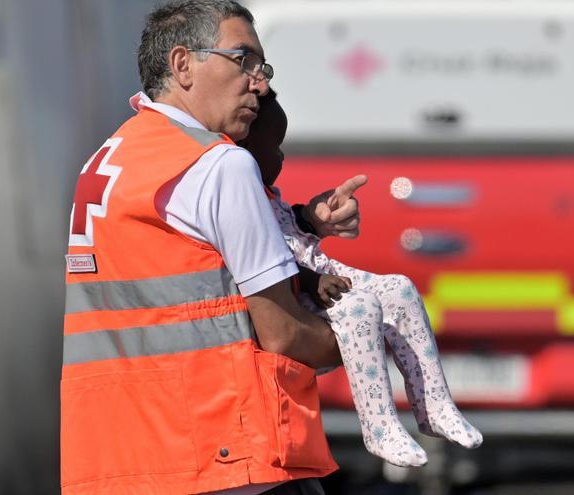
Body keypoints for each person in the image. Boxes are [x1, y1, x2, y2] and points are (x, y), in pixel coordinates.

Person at [60, 2, 362, 494]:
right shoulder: (220, 163)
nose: (258, 82)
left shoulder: (111, 156)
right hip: (222, 460)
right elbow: (283, 334)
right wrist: (366, 339)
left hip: (121, 461)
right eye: (242, 60)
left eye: (261, 67)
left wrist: (305, 220)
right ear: (183, 65)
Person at [238, 91, 483, 468]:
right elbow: (260, 258)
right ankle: (379, 427)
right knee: (360, 308)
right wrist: (307, 280)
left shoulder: (268, 194)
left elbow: (290, 230)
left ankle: (433, 404)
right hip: (298, 294)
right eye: (277, 147)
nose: (283, 157)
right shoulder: (239, 193)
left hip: (320, 274)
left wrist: (311, 220)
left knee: (400, 288)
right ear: (247, 147)